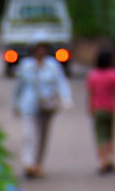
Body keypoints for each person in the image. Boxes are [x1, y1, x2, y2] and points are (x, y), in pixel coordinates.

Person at [13, 30, 72, 178]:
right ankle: (28, 163)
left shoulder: (53, 65)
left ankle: (38, 163)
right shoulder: (26, 66)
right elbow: (18, 86)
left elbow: (61, 83)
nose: (41, 50)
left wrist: (66, 99)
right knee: (29, 135)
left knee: (43, 136)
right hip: (29, 105)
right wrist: (15, 104)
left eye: (43, 47)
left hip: (46, 106)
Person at [86, 49, 115, 174]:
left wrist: (90, 107)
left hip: (98, 108)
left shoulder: (93, 75)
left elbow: (90, 93)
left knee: (99, 136)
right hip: (110, 108)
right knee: (110, 135)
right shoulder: (114, 74)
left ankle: (102, 160)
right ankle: (110, 159)